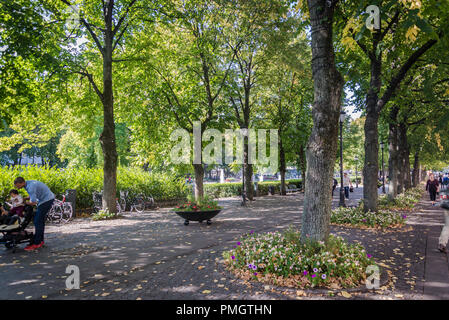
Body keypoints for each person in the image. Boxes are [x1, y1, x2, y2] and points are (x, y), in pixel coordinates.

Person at [14, 177, 55, 251]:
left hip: (46, 200)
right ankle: (40, 241)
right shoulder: (28, 184)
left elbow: (33, 202)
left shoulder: (30, 187)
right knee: (40, 221)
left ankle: (37, 243)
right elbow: (33, 195)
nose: (17, 187)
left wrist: (22, 203)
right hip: (46, 199)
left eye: (18, 186)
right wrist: (24, 199)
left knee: (37, 221)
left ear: (22, 182)